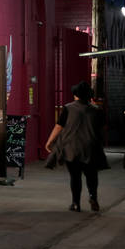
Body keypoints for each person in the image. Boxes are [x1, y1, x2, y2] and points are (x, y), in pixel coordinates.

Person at [44, 81, 110, 212]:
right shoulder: (97, 111)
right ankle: (93, 197)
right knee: (92, 175)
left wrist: (49, 141)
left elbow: (59, 126)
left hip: (71, 148)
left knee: (75, 176)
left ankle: (75, 204)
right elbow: (103, 129)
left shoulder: (68, 108)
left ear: (75, 95)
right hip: (90, 147)